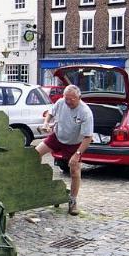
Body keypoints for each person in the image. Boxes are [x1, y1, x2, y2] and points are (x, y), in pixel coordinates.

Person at [35, 85, 94, 215]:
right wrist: (46, 123)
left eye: (71, 99)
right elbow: (51, 113)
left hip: (74, 143)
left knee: (75, 170)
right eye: (66, 98)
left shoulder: (85, 112)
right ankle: (39, 182)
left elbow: (88, 137)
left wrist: (77, 154)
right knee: (34, 154)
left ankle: (73, 201)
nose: (67, 102)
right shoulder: (61, 102)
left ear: (79, 97)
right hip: (57, 136)